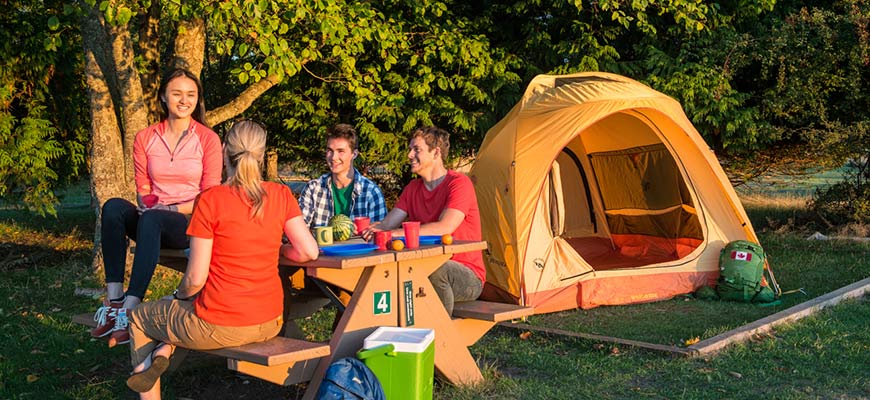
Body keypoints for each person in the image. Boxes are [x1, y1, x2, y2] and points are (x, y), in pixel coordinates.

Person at [124, 120, 319, 399]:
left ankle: (148, 367)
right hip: (271, 320)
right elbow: (309, 252)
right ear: (262, 155)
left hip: (222, 325)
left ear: (225, 150)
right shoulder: (280, 194)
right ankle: (160, 353)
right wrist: (279, 250)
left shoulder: (211, 199)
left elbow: (195, 278)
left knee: (142, 317)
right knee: (182, 313)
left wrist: (177, 296)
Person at [90, 68, 223, 347]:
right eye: (177, 94)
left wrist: (171, 210)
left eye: (191, 95)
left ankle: (131, 308)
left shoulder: (208, 139)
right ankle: (114, 299)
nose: (184, 100)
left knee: (154, 220)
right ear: (163, 97)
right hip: (153, 217)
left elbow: (210, 196)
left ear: (197, 99)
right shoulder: (145, 138)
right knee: (114, 207)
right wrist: (150, 204)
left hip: (190, 223)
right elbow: (144, 188)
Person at [362, 126, 484, 315]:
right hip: (420, 264)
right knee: (389, 271)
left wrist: (393, 234)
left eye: (416, 149)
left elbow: (445, 227)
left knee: (433, 268)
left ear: (435, 153)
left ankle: (439, 336)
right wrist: (366, 231)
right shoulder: (413, 188)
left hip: (466, 274)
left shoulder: (459, 184)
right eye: (410, 149)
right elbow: (387, 224)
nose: (409, 155)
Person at [298, 123, 387, 228]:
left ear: (354, 154)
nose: (334, 157)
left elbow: (379, 236)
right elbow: (299, 230)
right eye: (330, 151)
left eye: (341, 151)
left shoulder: (371, 192)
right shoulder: (313, 189)